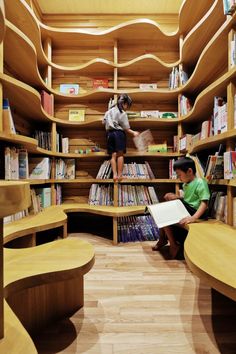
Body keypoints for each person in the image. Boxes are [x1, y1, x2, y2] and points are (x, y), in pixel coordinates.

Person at [152, 156, 210, 259]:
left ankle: (173, 244)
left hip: (196, 211)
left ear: (189, 171)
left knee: (164, 212)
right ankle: (163, 239)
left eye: (180, 175)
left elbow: (204, 203)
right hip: (188, 208)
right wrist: (176, 197)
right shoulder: (186, 184)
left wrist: (193, 218)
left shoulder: (200, 182)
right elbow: (188, 199)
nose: (179, 178)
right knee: (163, 209)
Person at [103, 94, 139, 182]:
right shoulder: (122, 113)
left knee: (113, 155)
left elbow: (103, 122)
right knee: (120, 154)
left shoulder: (109, 111)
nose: (127, 107)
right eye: (127, 105)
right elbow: (126, 128)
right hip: (119, 134)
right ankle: (120, 175)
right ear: (124, 103)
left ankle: (114, 175)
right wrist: (134, 132)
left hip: (110, 134)